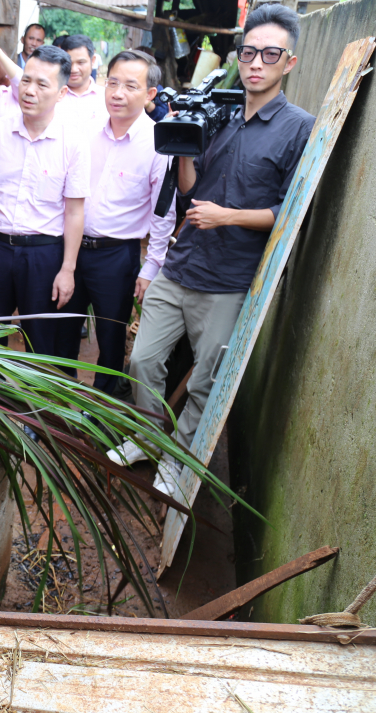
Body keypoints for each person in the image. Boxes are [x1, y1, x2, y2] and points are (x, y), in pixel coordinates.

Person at [117, 4, 315, 493]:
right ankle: (146, 437)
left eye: (270, 54)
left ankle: (178, 460)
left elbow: (290, 213)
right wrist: (183, 142)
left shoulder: (300, 128)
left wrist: (226, 217)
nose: (255, 63)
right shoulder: (219, 111)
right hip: (181, 267)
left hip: (228, 281)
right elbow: (189, 190)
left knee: (206, 380)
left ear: (288, 62)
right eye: (248, 52)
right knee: (142, 360)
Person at [0, 45, 90, 356]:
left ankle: (35, 403)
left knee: (40, 340)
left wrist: (67, 269)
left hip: (44, 255)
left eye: (42, 84)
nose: (30, 90)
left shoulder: (74, 143)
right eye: (26, 80)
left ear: (61, 93)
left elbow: (74, 211)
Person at [56, 50, 176, 397]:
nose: (118, 93)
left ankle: (102, 405)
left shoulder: (158, 144)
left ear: (150, 94)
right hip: (72, 248)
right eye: (112, 83)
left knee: (111, 337)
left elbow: (163, 212)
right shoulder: (86, 130)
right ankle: (61, 402)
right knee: (63, 329)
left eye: (130, 86)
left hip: (116, 257)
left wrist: (151, 266)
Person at [55, 34, 108, 127]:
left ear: (93, 60)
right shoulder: (51, 96)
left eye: (81, 62)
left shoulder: (106, 98)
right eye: (69, 63)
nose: (74, 69)